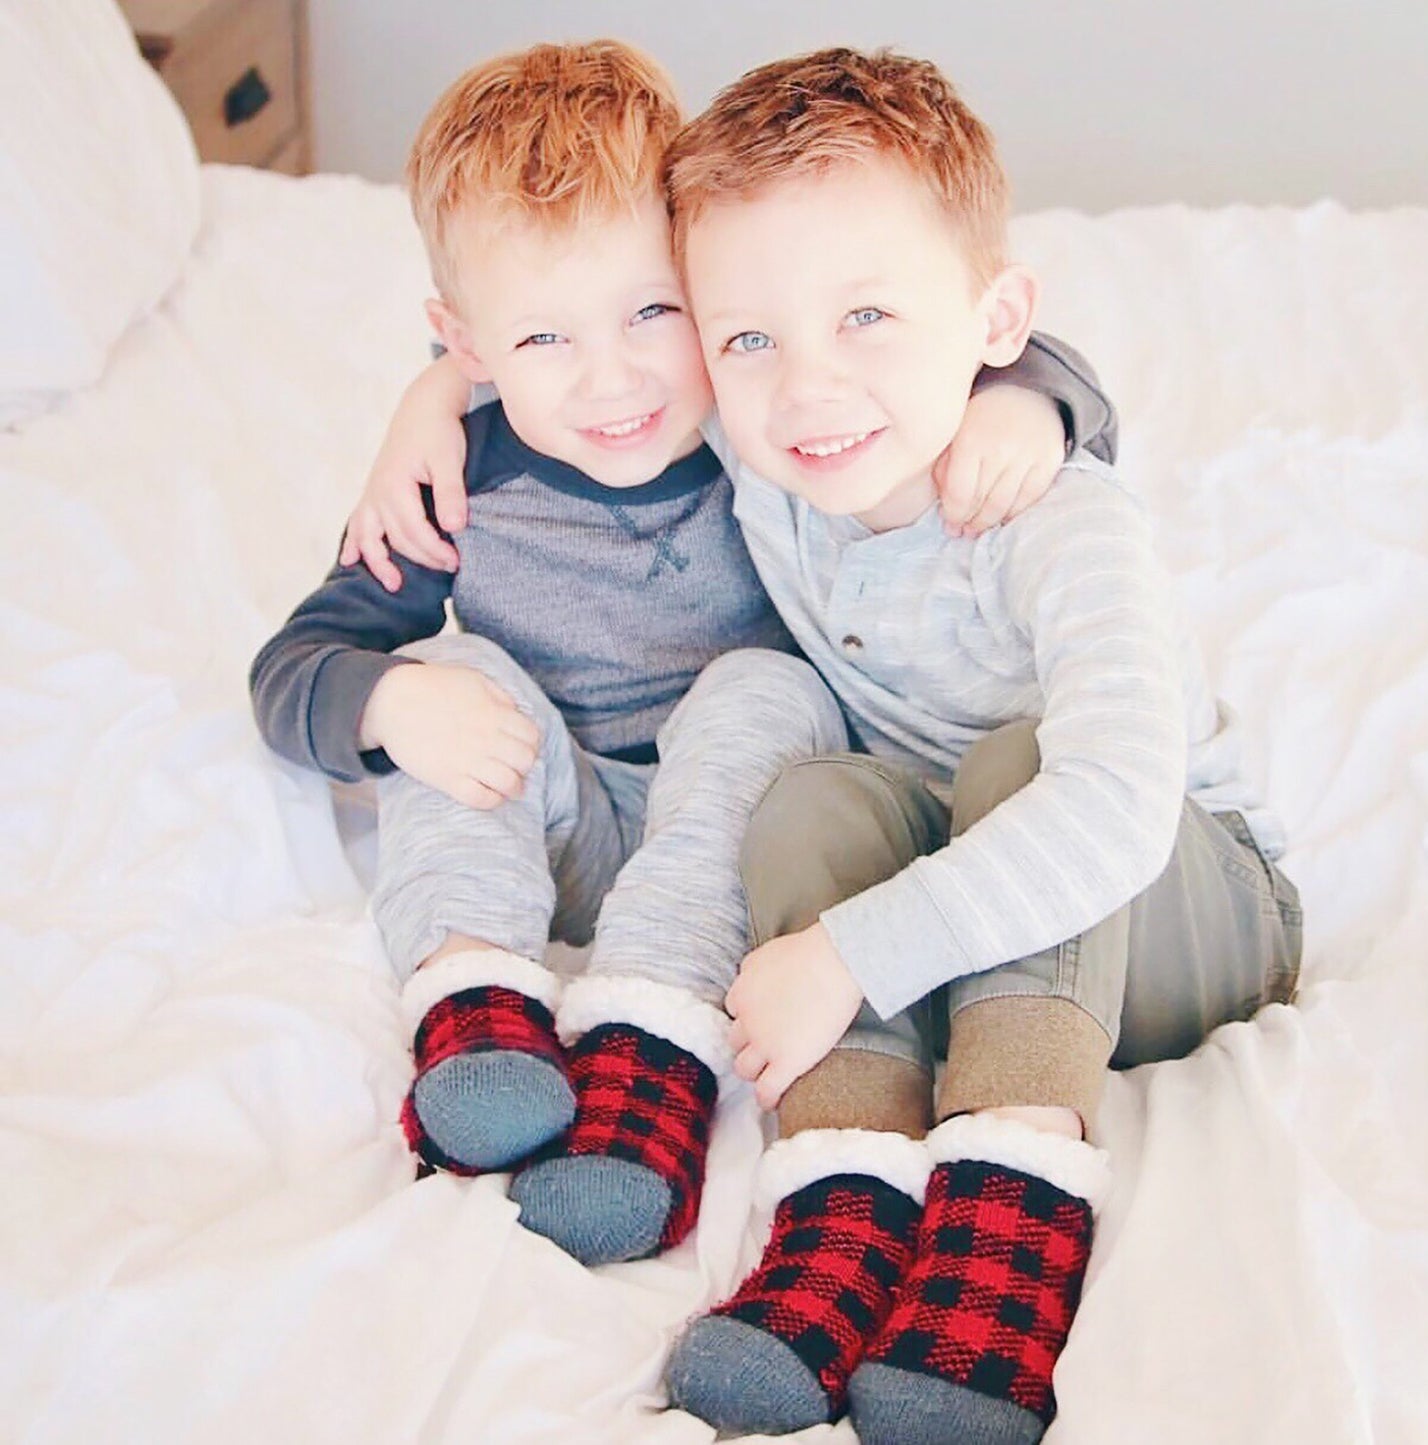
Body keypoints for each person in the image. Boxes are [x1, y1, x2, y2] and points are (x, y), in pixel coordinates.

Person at [250, 40, 1117, 1268]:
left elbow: (930, 359)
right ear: (466, 343)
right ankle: (473, 1005)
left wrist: (1033, 397)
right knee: (456, 684)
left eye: (655, 312)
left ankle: (646, 1056)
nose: (616, 381)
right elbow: (293, 666)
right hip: (558, 824)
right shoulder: (459, 478)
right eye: (543, 340)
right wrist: (390, 694)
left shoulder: (763, 432)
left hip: (739, 843)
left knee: (760, 684)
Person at [653, 47, 1304, 1445]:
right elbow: (570, 348)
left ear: (994, 316)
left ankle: (1003, 1241)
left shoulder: (1056, 522)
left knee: (1023, 767)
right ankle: (843, 1213)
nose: (805, 387)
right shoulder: (776, 472)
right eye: (747, 338)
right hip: (962, 890)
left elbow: (1121, 807)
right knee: (812, 798)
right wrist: (425, 402)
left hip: (1184, 903)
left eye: (870, 315)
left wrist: (846, 956)